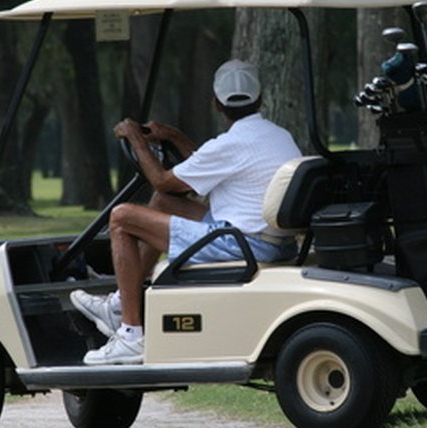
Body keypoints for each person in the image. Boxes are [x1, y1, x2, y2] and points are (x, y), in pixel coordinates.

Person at [70, 59, 302, 365]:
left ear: (216, 104)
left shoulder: (230, 144)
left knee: (122, 218)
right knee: (163, 202)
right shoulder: (276, 135)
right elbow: (196, 173)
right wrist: (174, 136)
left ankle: (130, 334)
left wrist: (136, 139)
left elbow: (163, 180)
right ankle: (120, 305)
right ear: (260, 99)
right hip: (270, 238)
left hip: (243, 242)